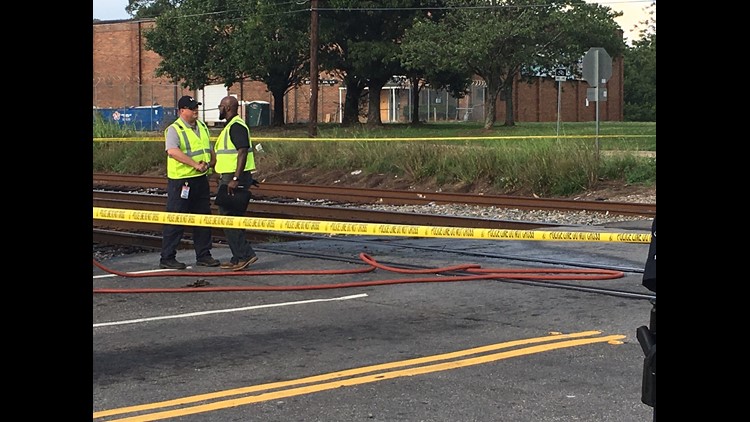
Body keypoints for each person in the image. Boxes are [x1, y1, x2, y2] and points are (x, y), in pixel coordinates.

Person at [159, 95, 221, 269]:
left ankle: (203, 255)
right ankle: (167, 257)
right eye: (192, 108)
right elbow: (172, 151)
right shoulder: (174, 129)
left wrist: (212, 164)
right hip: (181, 181)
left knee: (202, 217)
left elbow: (208, 148)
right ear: (181, 111)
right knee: (176, 218)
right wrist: (194, 164)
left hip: (200, 179)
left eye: (196, 107)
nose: (196, 111)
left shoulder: (201, 126)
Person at [213, 95, 259, 271]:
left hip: (233, 178)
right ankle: (237, 257)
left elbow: (242, 152)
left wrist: (235, 179)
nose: (219, 109)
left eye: (220, 106)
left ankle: (245, 255)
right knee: (232, 217)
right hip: (229, 176)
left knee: (228, 217)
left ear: (227, 108)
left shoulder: (236, 126)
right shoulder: (231, 126)